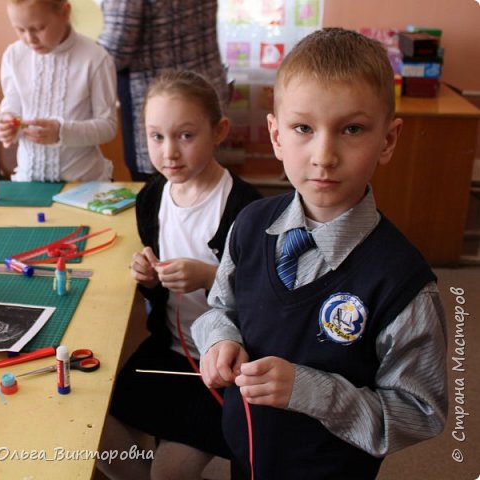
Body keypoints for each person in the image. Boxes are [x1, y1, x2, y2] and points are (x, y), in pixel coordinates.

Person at [191, 28, 448, 480]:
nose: (324, 156)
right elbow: (219, 307)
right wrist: (219, 339)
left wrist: (311, 391)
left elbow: (420, 412)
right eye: (303, 129)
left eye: (351, 129)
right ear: (276, 135)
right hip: (247, 456)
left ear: (387, 140)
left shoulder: (402, 282)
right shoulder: (249, 226)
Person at [97, 69, 261, 480]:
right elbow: (157, 292)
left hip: (223, 364)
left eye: (185, 136)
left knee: (167, 473)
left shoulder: (247, 210)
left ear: (218, 130)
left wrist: (209, 276)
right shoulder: (151, 198)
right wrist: (148, 278)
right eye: (156, 136)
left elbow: (268, 299)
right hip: (166, 350)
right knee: (92, 435)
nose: (169, 152)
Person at [98, 0, 228, 181]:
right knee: (204, 178)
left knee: (160, 186)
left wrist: (74, 54)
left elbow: (116, 48)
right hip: (205, 85)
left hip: (159, 96)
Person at [0, 0, 117, 182]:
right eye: (20, 29)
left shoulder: (96, 59)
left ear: (64, 13)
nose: (29, 38)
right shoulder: (13, 56)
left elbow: (108, 127)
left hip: (83, 184)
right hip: (28, 182)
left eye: (38, 28)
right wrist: (2, 124)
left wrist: (62, 132)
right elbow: (11, 107)